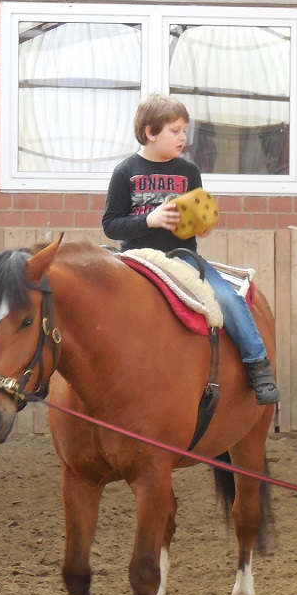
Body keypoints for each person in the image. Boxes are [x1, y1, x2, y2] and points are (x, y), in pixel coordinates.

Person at [102, 93, 279, 405]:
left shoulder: (189, 172)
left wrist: (204, 225)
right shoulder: (125, 171)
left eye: (185, 130)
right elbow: (111, 225)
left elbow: (199, 218)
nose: (183, 137)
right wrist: (150, 220)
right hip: (137, 261)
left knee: (226, 296)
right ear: (150, 133)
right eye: (175, 130)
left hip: (182, 258)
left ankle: (258, 365)